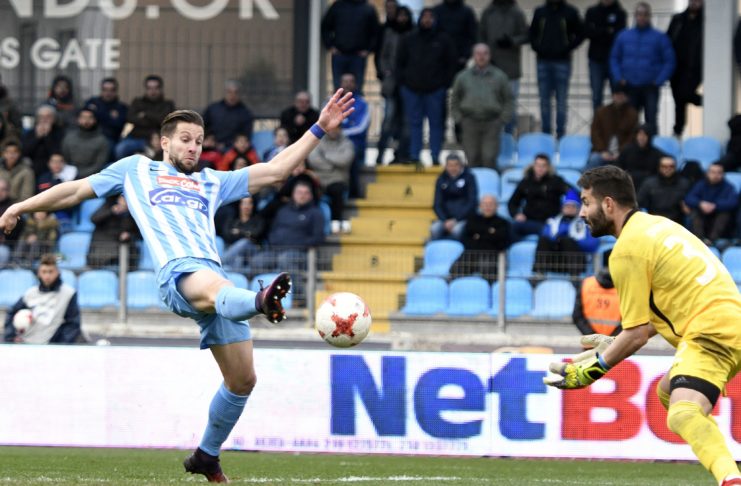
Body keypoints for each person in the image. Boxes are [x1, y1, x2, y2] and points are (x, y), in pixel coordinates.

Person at [0, 90, 354, 482]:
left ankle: (207, 455)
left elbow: (275, 171)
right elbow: (75, 190)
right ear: (165, 142)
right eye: (185, 139)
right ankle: (260, 300)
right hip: (179, 275)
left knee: (242, 380)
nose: (193, 147)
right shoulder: (135, 169)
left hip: (216, 288)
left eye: (199, 141)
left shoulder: (211, 181)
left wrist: (319, 128)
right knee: (219, 286)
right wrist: (20, 206)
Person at [545, 165, 741, 486]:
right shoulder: (658, 226)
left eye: (586, 203)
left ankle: (730, 479)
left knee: (683, 412)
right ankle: (722, 458)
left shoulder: (627, 250)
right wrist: (615, 342)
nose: (581, 213)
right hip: (728, 322)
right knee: (668, 392)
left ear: (608, 204)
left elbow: (636, 335)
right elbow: (655, 316)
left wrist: (593, 370)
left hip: (709, 331)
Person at [396, 8, 457, 165]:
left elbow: (450, 63)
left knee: (436, 124)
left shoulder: (444, 40)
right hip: (411, 89)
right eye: (424, 17)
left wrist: (444, 84)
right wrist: (403, 83)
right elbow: (399, 62)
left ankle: (435, 155)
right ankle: (414, 155)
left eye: (430, 17)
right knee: (414, 124)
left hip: (435, 90)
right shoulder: (409, 39)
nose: (427, 20)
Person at [610, 2, 675, 134]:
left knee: (651, 121)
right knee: (629, 121)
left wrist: (659, 80)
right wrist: (619, 77)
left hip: (650, 87)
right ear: (635, 16)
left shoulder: (660, 37)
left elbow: (670, 61)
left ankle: (652, 147)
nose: (642, 17)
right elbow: (614, 58)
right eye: (639, 14)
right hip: (629, 86)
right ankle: (630, 147)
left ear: (649, 16)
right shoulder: (623, 36)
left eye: (645, 14)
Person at [450, 43, 513, 170]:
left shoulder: (500, 76)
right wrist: (458, 118)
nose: (481, 57)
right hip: (469, 122)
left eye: (485, 53)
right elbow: (455, 99)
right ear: (473, 56)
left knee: (489, 157)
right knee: (472, 157)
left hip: (492, 123)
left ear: (489, 56)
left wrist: (503, 119)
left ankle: (489, 182)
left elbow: (508, 99)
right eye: (478, 54)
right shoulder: (462, 77)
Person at [529, 0, 584, 139]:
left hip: (562, 62)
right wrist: (538, 48)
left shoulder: (570, 12)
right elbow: (532, 34)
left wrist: (567, 48)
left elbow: (581, 33)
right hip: (543, 61)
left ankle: (560, 134)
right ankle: (546, 134)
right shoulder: (540, 12)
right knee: (544, 100)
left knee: (561, 100)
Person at [4, 253, 81, 345]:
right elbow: (11, 313)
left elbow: (73, 324)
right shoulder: (30, 293)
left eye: (50, 272)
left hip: (51, 346)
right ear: (39, 273)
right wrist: (10, 338)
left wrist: (59, 346)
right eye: (44, 272)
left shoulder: (68, 294)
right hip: (25, 344)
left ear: (58, 272)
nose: (47, 276)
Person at [478, 0, 529, 136]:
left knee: (510, 107)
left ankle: (509, 137)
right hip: (490, 68)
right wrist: (485, 55)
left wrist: (512, 41)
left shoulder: (517, 13)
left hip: (511, 69)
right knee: (490, 106)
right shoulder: (488, 12)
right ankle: (492, 138)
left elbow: (526, 35)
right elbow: (480, 36)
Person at [374, 3, 413, 165]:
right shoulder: (389, 33)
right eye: (400, 15)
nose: (402, 19)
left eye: (405, 16)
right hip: (392, 84)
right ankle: (380, 154)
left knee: (407, 123)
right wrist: (386, 72)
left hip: (409, 85)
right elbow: (382, 56)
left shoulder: (414, 34)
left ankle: (402, 154)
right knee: (388, 120)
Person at [532, 189, 599, 276]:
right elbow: (545, 237)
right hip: (554, 261)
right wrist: (558, 239)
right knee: (544, 241)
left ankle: (575, 278)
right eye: (567, 206)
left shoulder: (586, 224)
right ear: (562, 208)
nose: (570, 209)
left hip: (576, 263)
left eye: (573, 206)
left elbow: (592, 245)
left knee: (567, 241)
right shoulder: (552, 222)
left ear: (578, 208)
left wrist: (573, 240)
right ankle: (539, 274)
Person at [320, 0, 379, 94]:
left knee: (357, 89)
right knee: (339, 90)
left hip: (358, 56)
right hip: (340, 54)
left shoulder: (367, 8)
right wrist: (330, 46)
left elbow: (375, 32)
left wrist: (368, 50)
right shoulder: (337, 6)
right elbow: (325, 27)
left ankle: (356, 104)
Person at [508, 154, 569, 241]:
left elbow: (572, 193)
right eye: (538, 165)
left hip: (550, 222)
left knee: (551, 232)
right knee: (512, 227)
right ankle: (517, 248)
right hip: (529, 221)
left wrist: (568, 208)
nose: (540, 168)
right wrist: (516, 214)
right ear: (533, 166)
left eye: (543, 165)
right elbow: (512, 202)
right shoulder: (526, 181)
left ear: (548, 167)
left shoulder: (556, 181)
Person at [449, 194, 511, 281]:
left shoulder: (503, 223)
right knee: (454, 270)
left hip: (492, 256)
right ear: (480, 206)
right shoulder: (472, 220)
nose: (488, 207)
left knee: (488, 273)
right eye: (485, 204)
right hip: (472, 255)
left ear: (497, 206)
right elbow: (465, 241)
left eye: (491, 204)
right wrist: (490, 233)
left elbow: (502, 243)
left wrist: (478, 236)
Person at [114, 75, 176, 159]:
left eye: (156, 88)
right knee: (120, 149)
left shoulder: (168, 104)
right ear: (146, 89)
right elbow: (130, 118)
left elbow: (166, 121)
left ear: (160, 89)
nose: (153, 91)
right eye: (149, 88)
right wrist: (156, 119)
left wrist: (145, 114)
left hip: (158, 139)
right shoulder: (137, 102)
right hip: (137, 138)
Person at [307, 126, 354, 232]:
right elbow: (313, 160)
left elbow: (345, 160)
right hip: (318, 179)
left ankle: (335, 222)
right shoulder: (318, 141)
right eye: (331, 128)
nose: (333, 131)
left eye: (336, 128)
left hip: (337, 179)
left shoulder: (347, 143)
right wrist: (332, 166)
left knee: (337, 190)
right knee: (306, 188)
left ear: (340, 129)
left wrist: (326, 156)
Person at [667, 0, 703, 138]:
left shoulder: (705, 21)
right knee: (678, 100)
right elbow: (668, 40)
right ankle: (678, 131)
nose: (695, 3)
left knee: (684, 94)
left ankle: (709, 102)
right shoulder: (678, 19)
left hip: (694, 68)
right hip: (676, 68)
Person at [584, 0, 627, 111]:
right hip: (596, 59)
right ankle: (598, 121)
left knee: (617, 95)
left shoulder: (620, 13)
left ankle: (617, 121)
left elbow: (620, 35)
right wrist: (607, 30)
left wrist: (599, 31)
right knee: (596, 96)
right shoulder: (592, 11)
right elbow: (587, 32)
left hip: (615, 61)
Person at [684, 163, 739, 246]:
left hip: (719, 220)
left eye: (719, 172)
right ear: (707, 173)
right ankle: (700, 240)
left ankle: (711, 240)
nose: (716, 175)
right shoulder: (700, 185)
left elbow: (733, 202)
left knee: (725, 214)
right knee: (695, 212)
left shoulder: (728, 187)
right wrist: (700, 203)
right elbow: (689, 198)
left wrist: (715, 206)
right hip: (703, 217)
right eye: (713, 172)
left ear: (723, 174)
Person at [586, 85, 638, 169]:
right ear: (613, 95)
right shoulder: (601, 112)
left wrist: (621, 152)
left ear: (627, 97)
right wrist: (602, 151)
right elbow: (594, 133)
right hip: (601, 152)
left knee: (631, 162)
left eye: (622, 95)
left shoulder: (632, 114)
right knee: (594, 159)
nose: (619, 97)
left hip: (623, 154)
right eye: (617, 94)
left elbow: (632, 137)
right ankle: (586, 177)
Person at [572, 249, 621, 336]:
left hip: (591, 341)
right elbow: (631, 319)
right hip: (618, 342)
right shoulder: (626, 287)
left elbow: (577, 316)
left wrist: (593, 337)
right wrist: (613, 339)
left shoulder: (586, 284)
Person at [430, 153, 478, 241]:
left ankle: (458, 250)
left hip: (463, 218)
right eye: (450, 165)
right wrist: (445, 220)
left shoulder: (469, 178)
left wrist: (456, 219)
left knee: (457, 230)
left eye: (456, 165)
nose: (453, 168)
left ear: (461, 166)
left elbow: (472, 202)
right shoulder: (441, 179)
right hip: (445, 219)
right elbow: (437, 203)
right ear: (446, 166)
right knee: (434, 229)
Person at [87, 195, 140, 269]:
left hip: (123, 253)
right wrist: (111, 211)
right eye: (122, 199)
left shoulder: (133, 215)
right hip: (102, 250)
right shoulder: (108, 206)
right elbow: (93, 219)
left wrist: (129, 235)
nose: (123, 203)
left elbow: (139, 234)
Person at [338, 73, 369, 198]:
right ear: (340, 84)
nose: (347, 84)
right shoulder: (331, 101)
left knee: (351, 153)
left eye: (351, 81)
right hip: (332, 142)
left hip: (353, 143)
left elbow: (361, 128)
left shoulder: (362, 103)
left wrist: (341, 132)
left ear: (355, 84)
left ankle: (353, 193)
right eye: (345, 81)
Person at [637, 156, 691, 225]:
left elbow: (690, 202)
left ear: (675, 168)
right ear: (659, 167)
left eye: (671, 166)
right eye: (664, 166)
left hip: (677, 222)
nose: (668, 169)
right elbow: (639, 201)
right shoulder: (649, 183)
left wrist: (687, 207)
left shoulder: (684, 183)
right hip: (654, 221)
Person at [202, 80, 254, 150]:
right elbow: (202, 126)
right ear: (225, 93)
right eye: (229, 92)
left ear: (239, 94)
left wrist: (231, 144)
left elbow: (246, 136)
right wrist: (208, 140)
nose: (232, 95)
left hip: (234, 149)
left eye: (236, 92)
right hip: (211, 147)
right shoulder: (213, 109)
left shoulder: (245, 113)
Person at [61, 107, 110, 179]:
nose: (86, 121)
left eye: (90, 118)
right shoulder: (69, 138)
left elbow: (99, 165)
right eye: (83, 117)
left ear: (95, 120)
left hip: (92, 177)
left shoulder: (102, 141)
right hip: (70, 175)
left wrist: (80, 175)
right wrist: (72, 174)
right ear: (78, 120)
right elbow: (65, 160)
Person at [431, 0, 478, 75]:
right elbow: (432, 34)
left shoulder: (467, 12)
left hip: (460, 57)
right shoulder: (437, 11)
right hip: (440, 57)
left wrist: (466, 55)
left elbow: (473, 35)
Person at [84, 77, 129, 152]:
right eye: (105, 90)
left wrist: (97, 112)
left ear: (116, 91)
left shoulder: (121, 107)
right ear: (101, 90)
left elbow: (117, 124)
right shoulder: (92, 101)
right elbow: (84, 117)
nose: (108, 93)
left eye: (111, 90)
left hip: (110, 139)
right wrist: (109, 116)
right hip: (89, 136)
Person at [221, 196, 266, 272]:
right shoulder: (234, 220)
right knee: (238, 257)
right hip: (235, 252)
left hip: (253, 251)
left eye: (249, 203)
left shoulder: (258, 220)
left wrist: (239, 232)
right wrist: (246, 233)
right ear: (240, 205)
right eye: (244, 203)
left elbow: (257, 234)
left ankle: (222, 261)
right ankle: (237, 276)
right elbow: (227, 235)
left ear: (253, 205)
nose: (246, 206)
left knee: (244, 242)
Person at [614, 124, 663, 191]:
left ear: (649, 137)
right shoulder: (627, 150)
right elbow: (618, 165)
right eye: (640, 134)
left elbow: (666, 161)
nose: (641, 138)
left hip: (649, 185)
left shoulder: (656, 153)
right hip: (628, 183)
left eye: (644, 135)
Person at [22, 104, 65, 179]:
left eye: (48, 116)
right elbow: (25, 152)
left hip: (54, 169)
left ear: (54, 118)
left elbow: (55, 153)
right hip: (33, 168)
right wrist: (38, 138)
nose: (44, 119)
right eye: (41, 117)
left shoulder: (60, 132)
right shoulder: (31, 133)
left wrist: (47, 136)